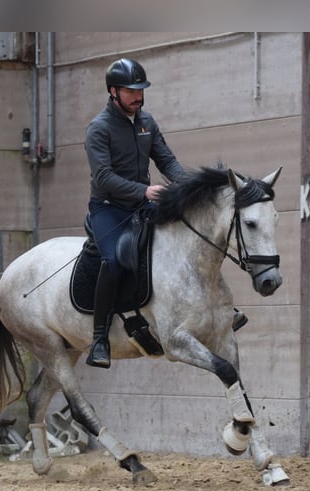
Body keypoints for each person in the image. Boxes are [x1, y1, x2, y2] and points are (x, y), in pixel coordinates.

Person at [83, 57, 187, 368]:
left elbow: (166, 162)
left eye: (140, 90)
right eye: (131, 91)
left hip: (142, 205)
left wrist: (190, 187)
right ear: (113, 92)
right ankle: (99, 338)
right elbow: (104, 178)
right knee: (113, 260)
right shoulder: (98, 129)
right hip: (108, 208)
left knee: (186, 236)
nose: (138, 96)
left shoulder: (147, 122)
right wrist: (144, 191)